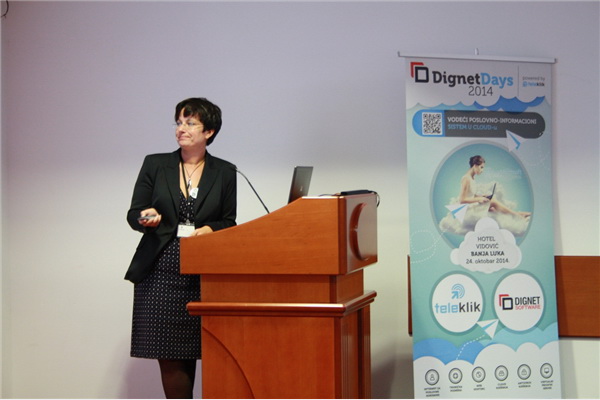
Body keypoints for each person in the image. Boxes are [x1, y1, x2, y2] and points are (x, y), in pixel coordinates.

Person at [125, 97, 237, 398]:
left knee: (197, 351)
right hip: (160, 272)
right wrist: (145, 217)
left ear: (209, 131)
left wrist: (210, 229)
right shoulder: (155, 164)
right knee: (171, 358)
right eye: (178, 122)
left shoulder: (225, 171)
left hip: (202, 273)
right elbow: (134, 213)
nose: (181, 129)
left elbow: (229, 221)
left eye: (190, 123)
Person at [459, 155, 530, 218]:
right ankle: (518, 216)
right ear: (475, 166)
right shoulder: (466, 178)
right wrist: (479, 199)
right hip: (466, 209)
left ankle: (517, 215)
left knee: (493, 210)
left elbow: (471, 195)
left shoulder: (472, 179)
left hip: (472, 205)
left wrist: (482, 196)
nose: (482, 170)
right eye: (481, 167)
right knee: (492, 201)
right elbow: (462, 200)